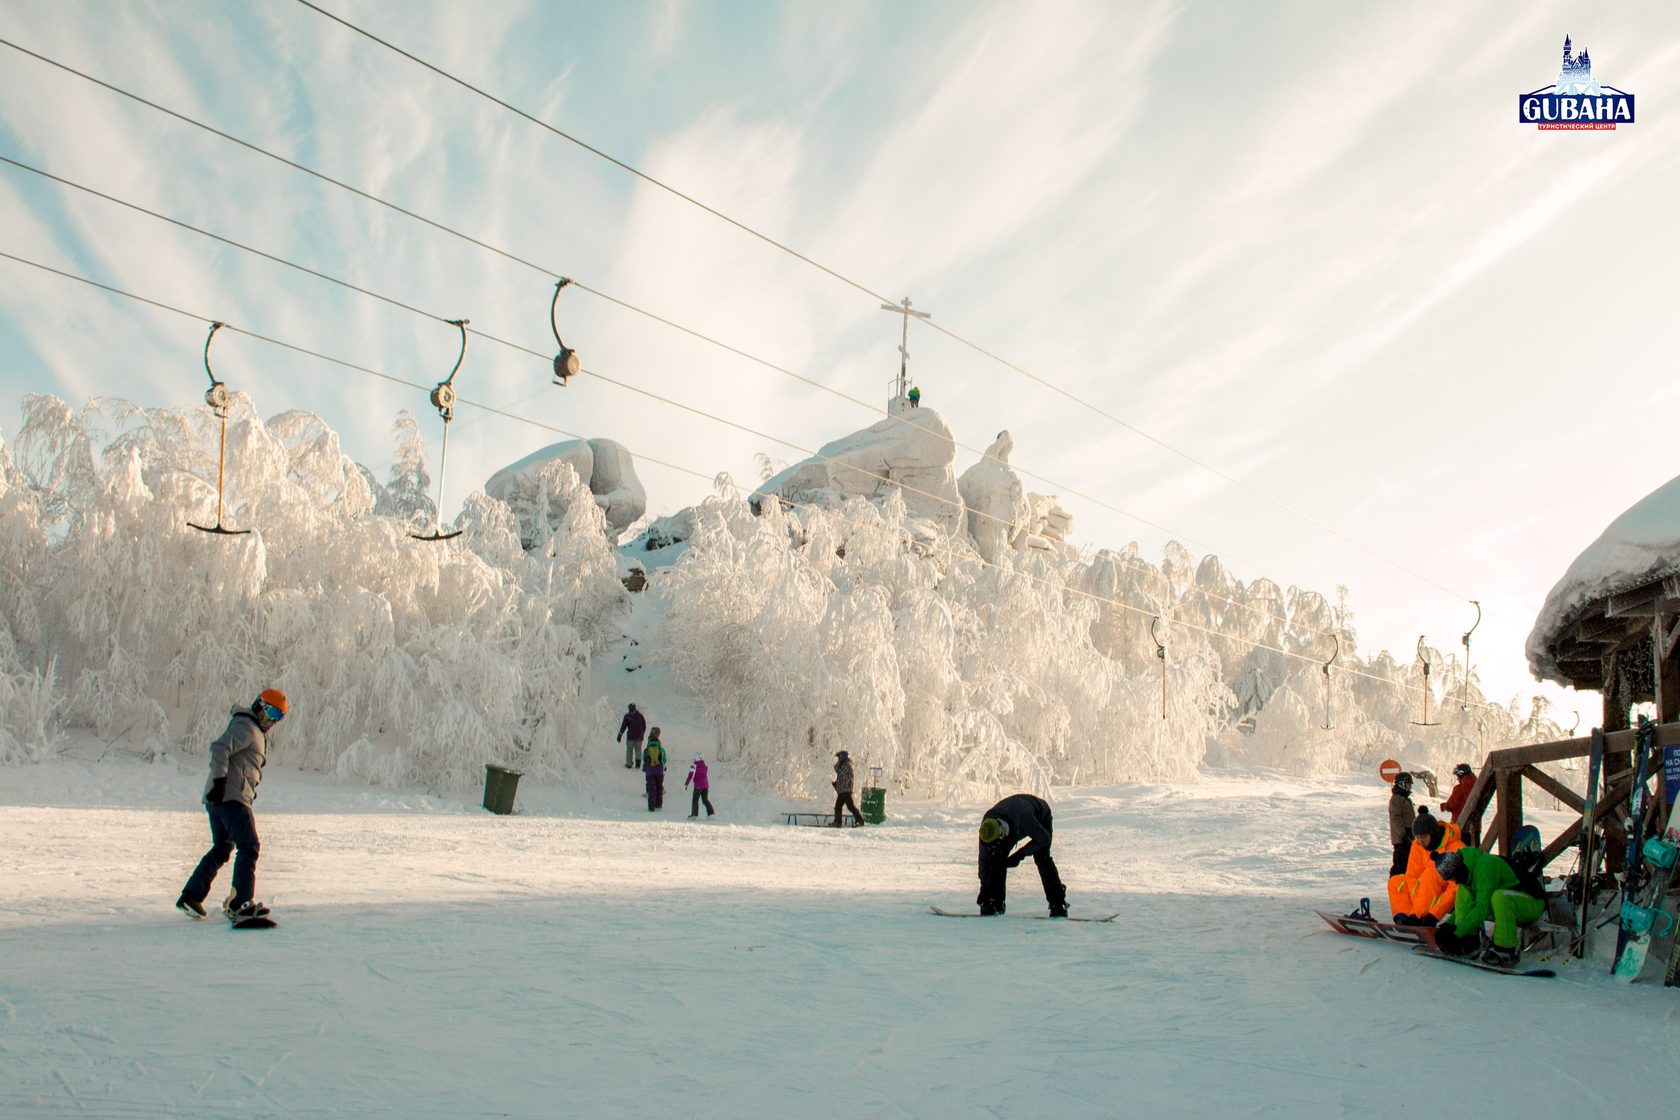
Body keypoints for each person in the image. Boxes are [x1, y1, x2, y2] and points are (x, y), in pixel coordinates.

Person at [177, 689, 286, 922]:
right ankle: (240, 903)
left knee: (222, 848)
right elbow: (220, 747)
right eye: (270, 712)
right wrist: (219, 780)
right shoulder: (247, 726)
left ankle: (191, 895)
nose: (272, 720)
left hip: (221, 798)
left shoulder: (250, 727)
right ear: (259, 705)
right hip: (231, 798)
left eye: (278, 717)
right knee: (249, 845)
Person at [1433, 845, 1546, 967]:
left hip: (1533, 903)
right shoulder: (1468, 872)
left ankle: (1505, 950)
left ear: (1458, 871)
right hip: (1510, 904)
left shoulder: (1485, 867)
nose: (1454, 881)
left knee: (1499, 897)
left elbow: (1483, 908)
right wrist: (1450, 926)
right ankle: (1468, 941)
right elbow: (1467, 904)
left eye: (1453, 878)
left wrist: (1456, 933)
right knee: (1464, 892)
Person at [976, 793, 1068, 917]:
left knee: (1042, 857)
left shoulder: (1023, 818)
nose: (992, 846)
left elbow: (1044, 839)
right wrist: (984, 888)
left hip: (1040, 815)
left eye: (995, 843)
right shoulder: (987, 827)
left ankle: (1058, 903)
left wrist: (1020, 855)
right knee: (995, 857)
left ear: (1002, 834)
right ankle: (994, 903)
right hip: (1012, 817)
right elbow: (984, 859)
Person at [1388, 808, 1465, 925]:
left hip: (1445, 895)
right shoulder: (1417, 845)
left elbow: (1455, 888)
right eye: (1417, 837)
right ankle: (1403, 918)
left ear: (1433, 834)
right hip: (1425, 895)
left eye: (1423, 836)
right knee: (1396, 881)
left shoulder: (1456, 847)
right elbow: (1412, 876)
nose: (1420, 841)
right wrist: (1417, 904)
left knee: (1430, 874)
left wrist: (1432, 915)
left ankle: (1418, 918)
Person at [1388, 771, 1416, 876]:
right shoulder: (1396, 799)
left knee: (1408, 863)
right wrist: (1403, 834)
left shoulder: (1405, 798)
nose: (1410, 787)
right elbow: (1395, 818)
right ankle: (1395, 884)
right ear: (1402, 784)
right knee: (1400, 864)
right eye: (1408, 784)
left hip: (1409, 835)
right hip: (1401, 838)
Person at [831, 750, 865, 827]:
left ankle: (860, 821)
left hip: (846, 791)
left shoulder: (847, 765)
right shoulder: (844, 765)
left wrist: (836, 766)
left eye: (839, 758)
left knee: (850, 807)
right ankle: (838, 822)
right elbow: (842, 778)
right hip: (843, 791)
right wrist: (836, 784)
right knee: (838, 807)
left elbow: (841, 773)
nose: (838, 760)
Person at [617, 702, 647, 770]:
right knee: (638, 750)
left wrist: (620, 735)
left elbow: (623, 726)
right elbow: (644, 726)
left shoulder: (627, 716)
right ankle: (638, 763)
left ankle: (629, 764)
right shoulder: (640, 716)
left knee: (629, 750)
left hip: (630, 737)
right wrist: (642, 733)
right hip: (639, 737)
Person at [643, 728, 666, 811]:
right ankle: (658, 805)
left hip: (650, 772)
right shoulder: (661, 749)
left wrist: (646, 767)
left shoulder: (646, 750)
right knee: (659, 788)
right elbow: (664, 760)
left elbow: (644, 759)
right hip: (659, 772)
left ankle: (651, 806)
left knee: (651, 788)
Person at [685, 752, 714, 818]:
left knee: (695, 800)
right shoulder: (705, 767)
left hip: (698, 786)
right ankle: (711, 814)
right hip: (706, 786)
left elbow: (690, 776)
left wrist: (686, 784)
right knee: (705, 800)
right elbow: (707, 775)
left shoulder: (693, 766)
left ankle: (694, 815)